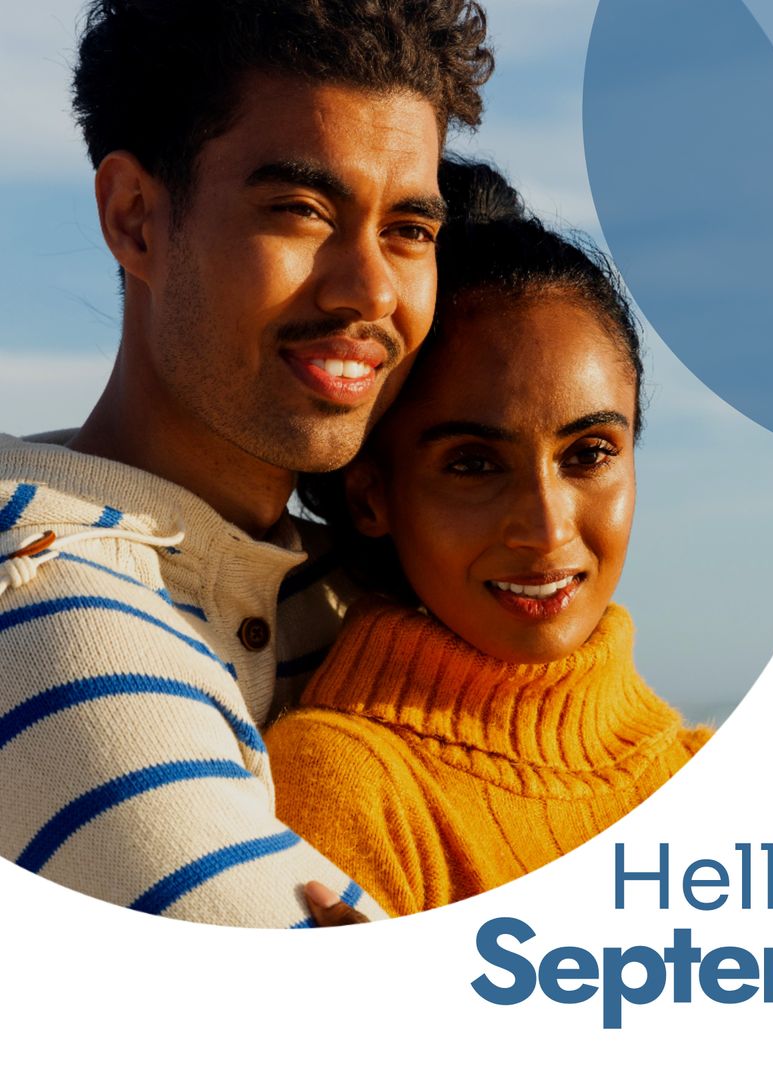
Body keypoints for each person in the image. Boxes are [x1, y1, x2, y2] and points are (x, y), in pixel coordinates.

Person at [0, 0, 493, 927]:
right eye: (301, 210)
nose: (371, 291)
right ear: (136, 218)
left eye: (409, 230)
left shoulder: (359, 580)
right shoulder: (50, 622)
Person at [264, 174, 711, 916]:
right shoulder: (346, 791)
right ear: (372, 494)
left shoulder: (690, 759)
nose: (546, 527)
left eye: (591, 453)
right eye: (473, 463)